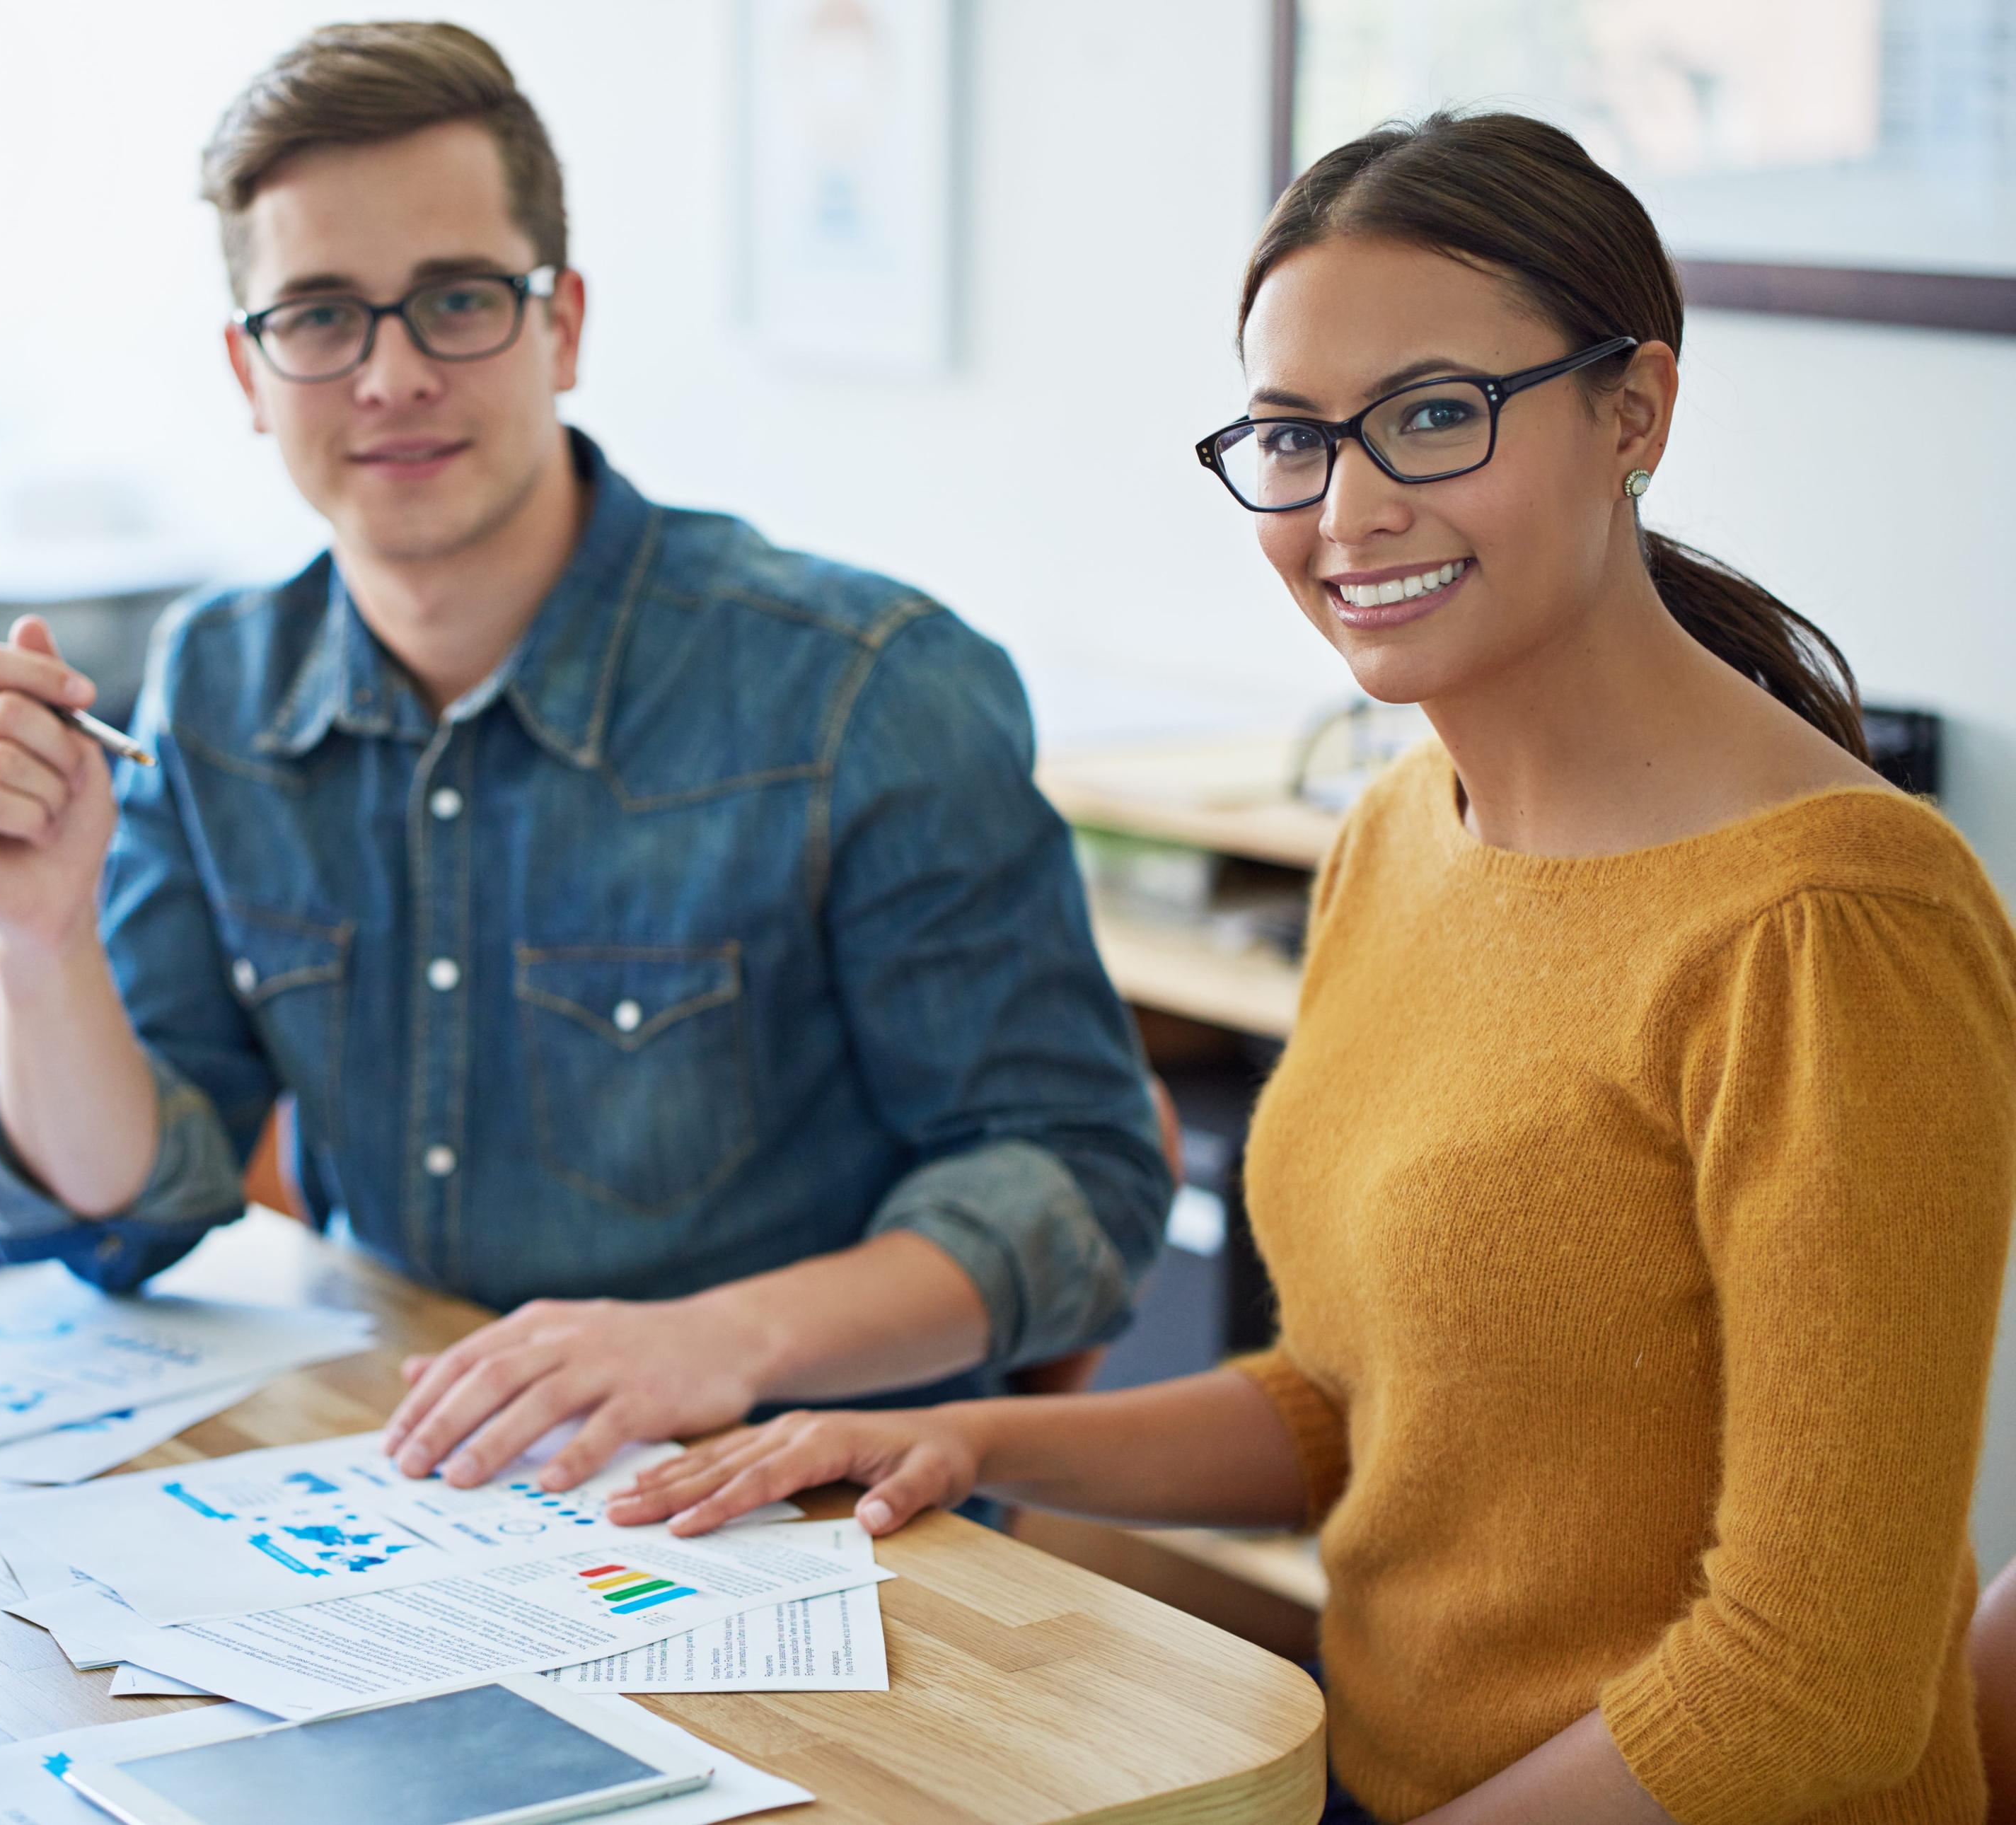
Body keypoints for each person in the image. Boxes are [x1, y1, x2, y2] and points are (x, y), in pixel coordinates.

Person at [612, 111, 2016, 1825]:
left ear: (1632, 410)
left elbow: (1818, 1686)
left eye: (1434, 415)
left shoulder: (1833, 927)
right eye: (1291, 436)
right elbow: (1365, 1405)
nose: (1348, 509)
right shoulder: (1400, 828)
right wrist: (980, 1439)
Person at [0, 21, 1170, 1501]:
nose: (388, 377)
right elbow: (120, 1224)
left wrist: (718, 1340)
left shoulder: (864, 689)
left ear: (562, 325)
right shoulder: (219, 685)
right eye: (317, 316)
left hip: (802, 1514)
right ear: (251, 373)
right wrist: (39, 942)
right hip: (409, 1488)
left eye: (455, 302)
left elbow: (1080, 1182)